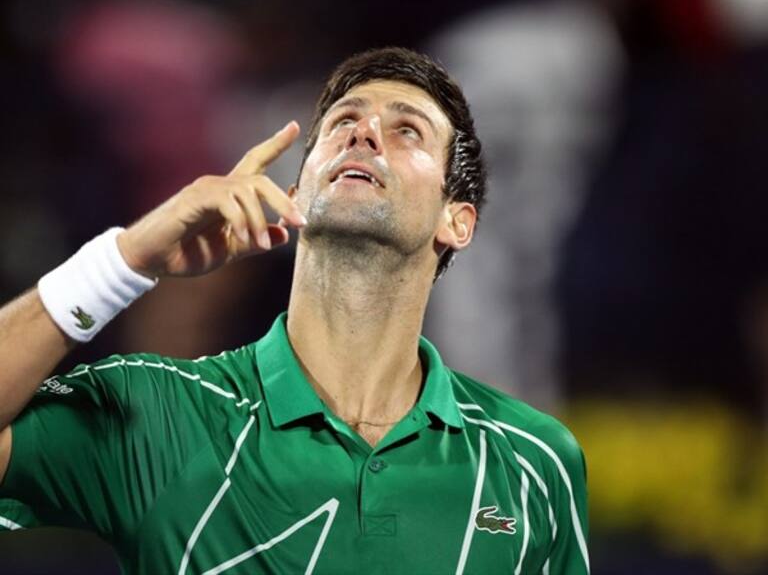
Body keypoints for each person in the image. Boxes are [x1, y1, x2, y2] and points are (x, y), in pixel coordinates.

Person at [0, 48, 589, 574]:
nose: (364, 135)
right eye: (342, 123)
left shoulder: (533, 459)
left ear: (456, 221)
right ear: (296, 191)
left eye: (407, 131)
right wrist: (123, 261)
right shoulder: (159, 413)